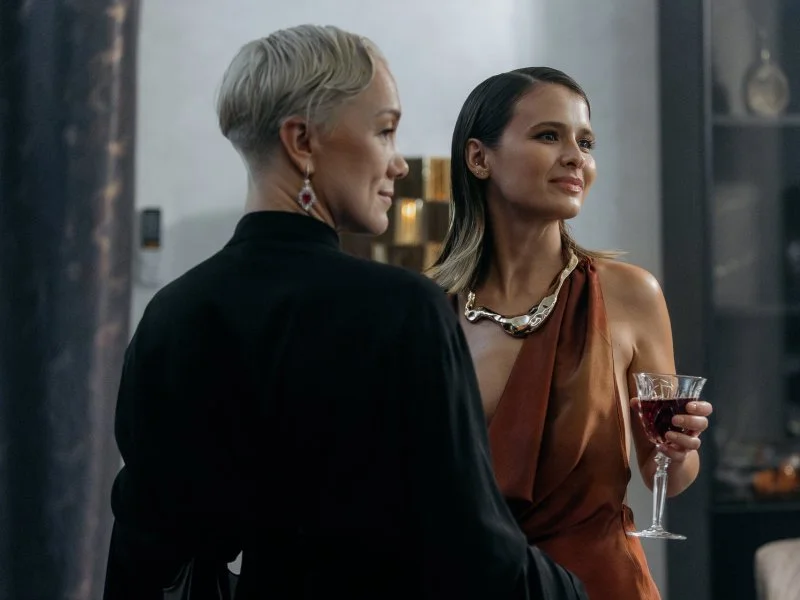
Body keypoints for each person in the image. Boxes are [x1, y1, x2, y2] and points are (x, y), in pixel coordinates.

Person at [102, 27, 588, 600]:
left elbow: (144, 560)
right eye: (385, 131)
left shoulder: (171, 315)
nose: (399, 164)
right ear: (302, 141)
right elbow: (476, 553)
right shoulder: (402, 310)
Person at [428, 67, 715, 600]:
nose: (575, 157)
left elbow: (668, 477)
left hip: (599, 586)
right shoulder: (427, 308)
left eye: (585, 142)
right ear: (479, 158)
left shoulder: (630, 294)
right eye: (548, 136)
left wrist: (679, 451)